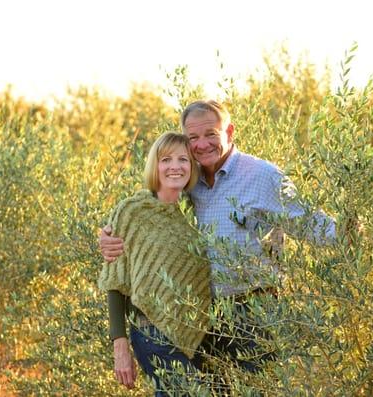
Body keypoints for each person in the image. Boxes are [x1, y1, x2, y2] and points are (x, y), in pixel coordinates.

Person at [100, 100, 338, 391]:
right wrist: (110, 237)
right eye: (193, 138)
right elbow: (144, 230)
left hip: (254, 315)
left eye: (211, 134)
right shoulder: (188, 184)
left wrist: (356, 233)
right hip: (202, 322)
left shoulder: (263, 176)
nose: (202, 145)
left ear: (230, 131)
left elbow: (309, 223)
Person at [97, 132, 212, 397]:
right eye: (166, 159)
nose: (175, 166)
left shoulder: (192, 218)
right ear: (154, 165)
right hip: (152, 335)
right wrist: (120, 347)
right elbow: (115, 283)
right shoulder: (132, 211)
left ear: (192, 167)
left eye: (183, 159)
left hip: (196, 339)